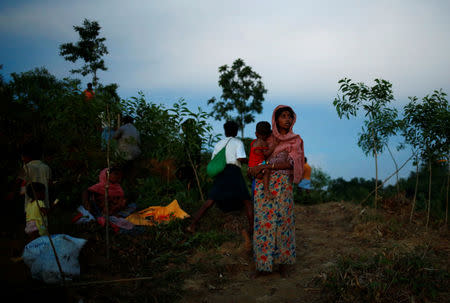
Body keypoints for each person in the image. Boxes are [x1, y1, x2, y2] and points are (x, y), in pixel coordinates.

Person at [248, 105, 304, 278]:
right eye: (283, 116)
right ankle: (262, 264)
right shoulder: (268, 138)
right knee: (264, 223)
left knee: (283, 223)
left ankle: (283, 264)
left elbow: (292, 164)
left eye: (289, 116)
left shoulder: (296, 141)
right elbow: (257, 156)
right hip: (264, 184)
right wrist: (256, 168)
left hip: (283, 185)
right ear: (276, 119)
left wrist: (269, 165)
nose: (287, 119)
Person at [186, 121, 253, 241]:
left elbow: (214, 161)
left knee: (210, 200)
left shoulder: (218, 144)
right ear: (236, 131)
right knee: (247, 200)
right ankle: (253, 228)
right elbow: (240, 158)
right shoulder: (238, 142)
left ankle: (192, 225)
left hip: (221, 173)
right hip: (233, 172)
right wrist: (250, 161)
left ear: (225, 131)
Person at [248, 121, 277, 198]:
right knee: (267, 171)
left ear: (256, 133)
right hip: (258, 167)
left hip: (250, 167)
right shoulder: (263, 142)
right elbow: (266, 154)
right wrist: (274, 146)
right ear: (268, 135)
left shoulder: (253, 142)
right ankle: (266, 190)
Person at [19, 142, 52, 209]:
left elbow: (21, 184)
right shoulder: (46, 167)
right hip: (44, 204)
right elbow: (49, 184)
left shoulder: (26, 167)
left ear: (27, 156)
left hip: (30, 205)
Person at [113, 115, 141, 185]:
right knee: (130, 169)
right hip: (135, 154)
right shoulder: (136, 130)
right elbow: (139, 143)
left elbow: (114, 137)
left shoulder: (122, 128)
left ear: (124, 121)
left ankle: (119, 181)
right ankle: (130, 182)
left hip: (123, 153)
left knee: (120, 167)